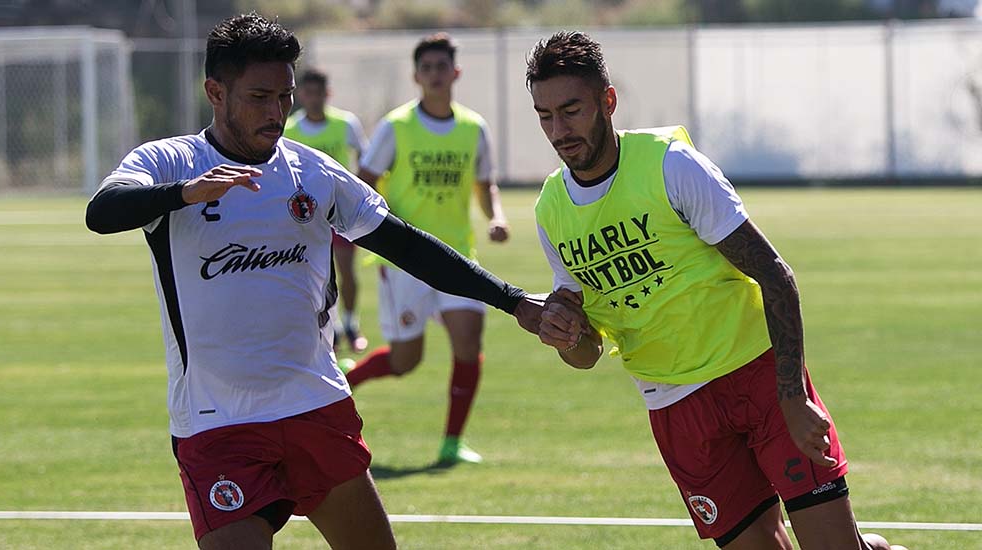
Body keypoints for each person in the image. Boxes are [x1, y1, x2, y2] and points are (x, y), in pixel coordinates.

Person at [84, 14, 543, 550]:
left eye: (286, 96)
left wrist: (514, 301)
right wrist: (184, 193)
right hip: (218, 425)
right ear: (215, 91)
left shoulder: (313, 171)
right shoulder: (169, 161)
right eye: (260, 96)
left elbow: (405, 244)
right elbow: (103, 211)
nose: (277, 113)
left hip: (315, 408)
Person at [526, 31, 907, 550]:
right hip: (677, 410)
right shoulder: (550, 210)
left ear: (607, 101)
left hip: (760, 379)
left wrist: (793, 396)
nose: (558, 130)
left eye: (570, 110)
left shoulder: (670, 166)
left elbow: (775, 275)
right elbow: (587, 352)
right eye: (544, 115)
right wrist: (564, 335)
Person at [344, 32, 510, 465]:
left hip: (456, 255)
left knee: (468, 341)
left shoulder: (474, 127)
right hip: (405, 260)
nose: (436, 75)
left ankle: (452, 442)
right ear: (417, 76)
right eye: (427, 68)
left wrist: (496, 216)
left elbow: (484, 182)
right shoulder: (396, 126)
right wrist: (376, 228)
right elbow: (365, 178)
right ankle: (349, 378)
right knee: (405, 361)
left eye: (443, 67)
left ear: (455, 72)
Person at [283, 68, 370, 353]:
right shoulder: (292, 128)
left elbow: (364, 159)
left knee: (345, 270)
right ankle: (320, 329)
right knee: (308, 274)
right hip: (304, 214)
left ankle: (350, 323)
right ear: (301, 95)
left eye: (318, 92)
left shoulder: (345, 124)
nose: (313, 98)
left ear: (327, 94)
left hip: (340, 211)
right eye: (307, 92)